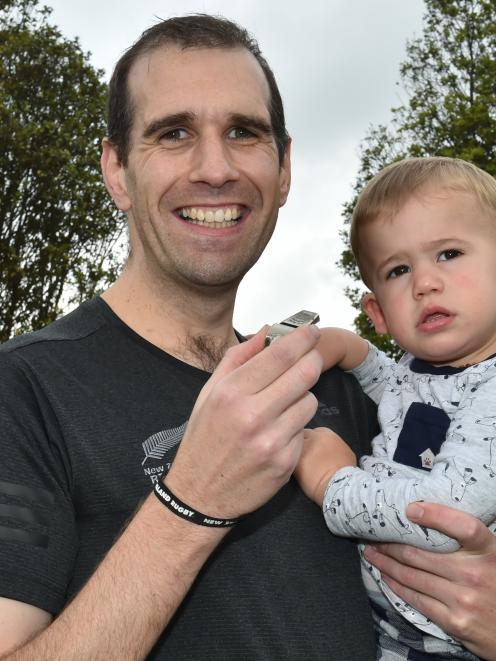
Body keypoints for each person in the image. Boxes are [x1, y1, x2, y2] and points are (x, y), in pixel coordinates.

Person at [0, 14, 494, 661]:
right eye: (173, 133)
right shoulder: (24, 390)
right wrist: (191, 498)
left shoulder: (346, 387)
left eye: (244, 132)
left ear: (283, 167)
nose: (215, 167)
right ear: (116, 168)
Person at [295, 156, 496, 660]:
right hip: (401, 629)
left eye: (448, 253)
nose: (424, 282)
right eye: (399, 269)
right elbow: (410, 404)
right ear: (380, 312)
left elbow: (448, 514)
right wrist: (349, 350)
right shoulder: (429, 372)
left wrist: (331, 484)